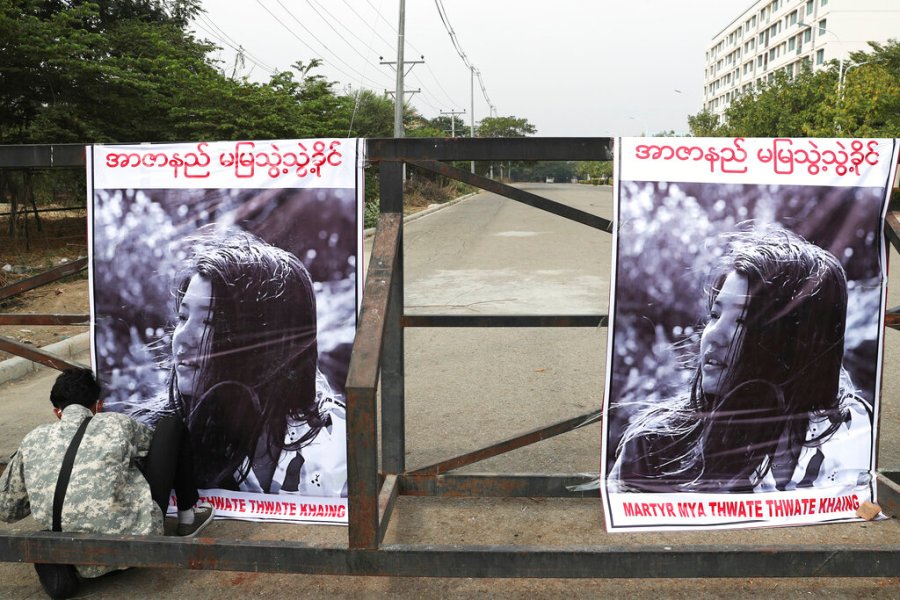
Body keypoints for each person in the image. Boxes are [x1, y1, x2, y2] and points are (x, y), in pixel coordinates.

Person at [609, 228, 873, 494]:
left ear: (795, 340)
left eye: (742, 320)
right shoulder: (654, 446)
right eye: (715, 315)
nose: (714, 336)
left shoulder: (854, 434)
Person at [141, 228, 347, 497]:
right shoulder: (151, 442)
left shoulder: (338, 442)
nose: (182, 338)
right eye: (182, 317)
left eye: (210, 321)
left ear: (267, 340)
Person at [0, 368, 213, 597]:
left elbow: (7, 509)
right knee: (171, 427)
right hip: (131, 546)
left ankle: (66, 558)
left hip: (65, 548)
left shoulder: (33, 439)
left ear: (56, 412)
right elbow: (156, 450)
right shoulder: (116, 423)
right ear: (98, 406)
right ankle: (188, 519)